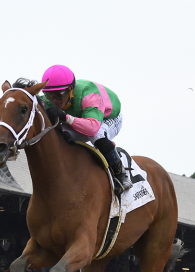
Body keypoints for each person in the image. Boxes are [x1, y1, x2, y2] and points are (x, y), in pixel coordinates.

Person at [39, 65, 132, 194]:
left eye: (59, 94)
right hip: (83, 117)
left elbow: (92, 128)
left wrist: (65, 117)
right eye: (49, 95)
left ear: (71, 89)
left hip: (107, 118)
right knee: (61, 135)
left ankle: (121, 174)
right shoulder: (47, 100)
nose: (54, 100)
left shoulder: (89, 95)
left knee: (97, 136)